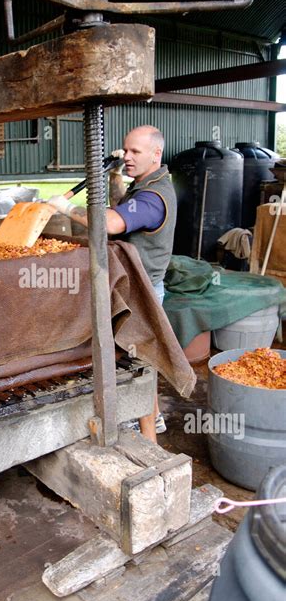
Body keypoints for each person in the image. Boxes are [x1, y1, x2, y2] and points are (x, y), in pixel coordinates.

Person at [47, 125, 177, 443]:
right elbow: (122, 205)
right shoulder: (147, 185)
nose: (128, 156)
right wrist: (114, 175)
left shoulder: (153, 197)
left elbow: (112, 222)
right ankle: (154, 417)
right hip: (133, 286)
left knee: (138, 364)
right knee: (144, 360)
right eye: (126, 150)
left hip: (141, 293)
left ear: (156, 154)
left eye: (136, 152)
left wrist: (66, 208)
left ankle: (147, 438)